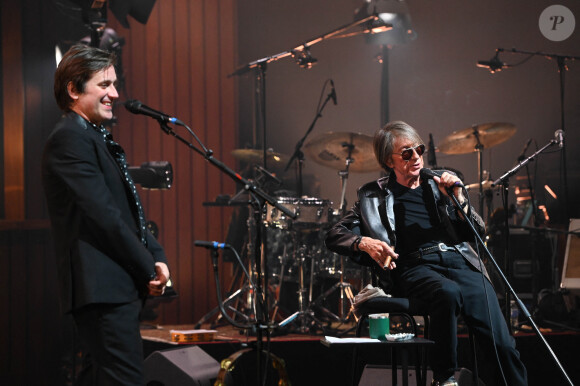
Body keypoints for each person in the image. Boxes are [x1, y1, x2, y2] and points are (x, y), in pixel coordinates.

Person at [325, 121, 527, 386]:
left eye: (418, 149)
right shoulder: (373, 196)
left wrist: (458, 199)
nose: (416, 157)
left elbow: (476, 232)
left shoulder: (441, 181)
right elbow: (334, 234)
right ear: (389, 160)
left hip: (461, 261)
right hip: (416, 268)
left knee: (501, 345)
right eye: (406, 153)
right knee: (448, 292)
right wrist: (363, 242)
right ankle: (444, 379)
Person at [42, 45, 170, 386]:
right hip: (102, 291)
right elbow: (105, 216)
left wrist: (157, 255)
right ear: (73, 89)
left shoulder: (91, 136)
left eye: (114, 84)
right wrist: (148, 268)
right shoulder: (69, 139)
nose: (115, 93)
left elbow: (128, 211)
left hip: (114, 289)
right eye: (104, 84)